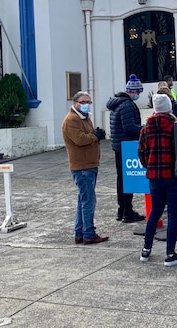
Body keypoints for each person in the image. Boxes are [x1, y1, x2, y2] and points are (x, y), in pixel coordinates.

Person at [138, 94, 177, 267]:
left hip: (155, 177)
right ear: (169, 108)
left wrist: (150, 165)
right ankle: (170, 253)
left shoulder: (145, 128)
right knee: (173, 213)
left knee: (155, 212)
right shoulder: (176, 127)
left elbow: (141, 153)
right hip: (174, 177)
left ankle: (146, 250)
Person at [61, 91, 109, 245]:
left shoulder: (84, 117)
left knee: (83, 200)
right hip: (82, 166)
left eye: (88, 101)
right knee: (88, 201)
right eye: (83, 101)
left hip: (89, 164)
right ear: (75, 103)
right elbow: (80, 139)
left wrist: (95, 135)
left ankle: (80, 232)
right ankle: (88, 233)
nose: (86, 104)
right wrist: (95, 136)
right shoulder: (72, 119)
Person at [106, 74, 146, 223]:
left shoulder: (117, 104)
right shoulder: (127, 105)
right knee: (127, 179)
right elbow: (129, 128)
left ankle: (121, 209)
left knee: (121, 179)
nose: (139, 95)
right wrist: (144, 128)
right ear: (133, 91)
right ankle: (127, 211)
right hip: (127, 145)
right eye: (138, 92)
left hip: (118, 145)